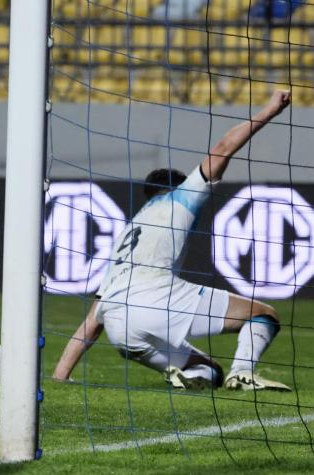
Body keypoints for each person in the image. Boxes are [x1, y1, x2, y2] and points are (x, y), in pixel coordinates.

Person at [53, 89, 293, 392]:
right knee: (264, 315)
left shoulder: (129, 231)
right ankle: (243, 372)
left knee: (209, 371)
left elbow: (93, 320)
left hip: (119, 328)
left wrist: (60, 376)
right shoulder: (181, 196)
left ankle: (193, 375)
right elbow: (222, 148)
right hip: (156, 300)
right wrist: (269, 110)